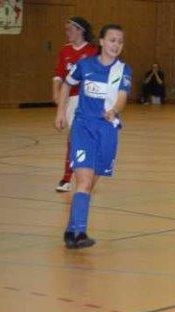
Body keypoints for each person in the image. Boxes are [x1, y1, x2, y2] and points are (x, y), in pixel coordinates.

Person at [54, 24, 132, 249]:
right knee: (84, 181)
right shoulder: (85, 65)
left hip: (106, 130)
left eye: (120, 41)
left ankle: (71, 231)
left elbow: (122, 97)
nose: (116, 45)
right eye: (112, 40)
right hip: (83, 128)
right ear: (102, 41)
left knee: (90, 184)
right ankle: (79, 233)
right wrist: (60, 112)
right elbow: (66, 85)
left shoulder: (123, 70)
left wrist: (114, 110)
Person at [52, 16, 97, 193]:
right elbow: (58, 75)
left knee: (81, 138)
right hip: (71, 98)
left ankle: (74, 176)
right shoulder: (65, 50)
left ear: (80, 30)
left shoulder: (93, 51)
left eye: (70, 29)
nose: (67, 32)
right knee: (74, 138)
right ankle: (68, 177)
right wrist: (56, 93)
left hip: (88, 99)